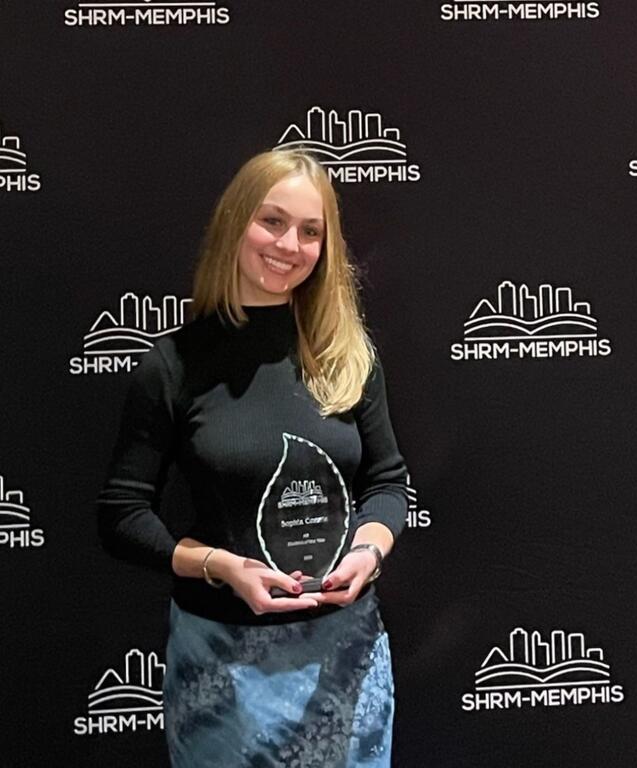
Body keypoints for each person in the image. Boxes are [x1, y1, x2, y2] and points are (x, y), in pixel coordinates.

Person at [97, 149, 408, 767]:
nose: (289, 244)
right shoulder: (173, 366)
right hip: (222, 665)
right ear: (235, 223)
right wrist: (220, 566)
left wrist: (368, 552)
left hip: (345, 659)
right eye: (271, 221)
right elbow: (122, 515)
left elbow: (387, 483)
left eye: (310, 231)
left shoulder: (348, 356)